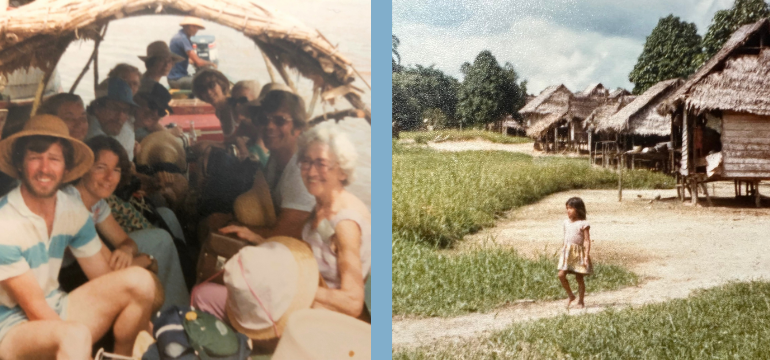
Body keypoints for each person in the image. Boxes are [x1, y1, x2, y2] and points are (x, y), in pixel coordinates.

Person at [0, 115, 156, 357]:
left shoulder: (71, 210)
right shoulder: (5, 222)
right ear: (20, 164)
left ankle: (122, 356)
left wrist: (142, 321)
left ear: (67, 169)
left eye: (54, 159)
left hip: (57, 306)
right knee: (75, 336)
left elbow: (103, 278)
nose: (44, 168)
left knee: (140, 281)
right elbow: (36, 311)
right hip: (9, 329)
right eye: (34, 158)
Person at [191, 122, 370, 320]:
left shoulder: (345, 224)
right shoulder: (322, 205)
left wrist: (292, 287)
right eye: (306, 162)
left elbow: (352, 303)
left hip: (320, 319)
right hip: (303, 301)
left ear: (343, 171)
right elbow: (305, 254)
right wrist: (257, 238)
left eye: (321, 163)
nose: (311, 172)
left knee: (203, 295)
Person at [61, 136, 191, 310]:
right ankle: (178, 317)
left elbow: (125, 241)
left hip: (82, 270)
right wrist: (148, 260)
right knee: (150, 261)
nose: (109, 177)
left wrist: (126, 249)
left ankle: (175, 316)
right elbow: (106, 272)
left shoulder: (97, 203)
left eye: (116, 169)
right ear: (84, 168)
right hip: (65, 281)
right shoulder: (72, 204)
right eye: (101, 168)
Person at [86, 77, 140, 161]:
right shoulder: (87, 132)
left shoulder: (126, 131)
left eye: (125, 110)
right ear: (97, 107)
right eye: (114, 108)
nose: (120, 116)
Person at [558, 197, 593, 309]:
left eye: (571, 208)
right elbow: (565, 237)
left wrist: (586, 256)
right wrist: (563, 250)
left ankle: (581, 301)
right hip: (567, 252)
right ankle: (571, 295)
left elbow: (587, 240)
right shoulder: (566, 223)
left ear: (578, 209)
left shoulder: (583, 224)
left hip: (578, 253)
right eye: (567, 208)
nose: (568, 210)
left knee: (579, 278)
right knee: (561, 274)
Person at [168, 17, 216, 89]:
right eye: (193, 27)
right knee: (209, 82)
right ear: (185, 26)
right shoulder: (182, 38)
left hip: (178, 77)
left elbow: (191, 60)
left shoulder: (181, 36)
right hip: (177, 80)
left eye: (197, 27)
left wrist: (198, 63)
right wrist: (211, 63)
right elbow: (199, 62)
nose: (196, 30)